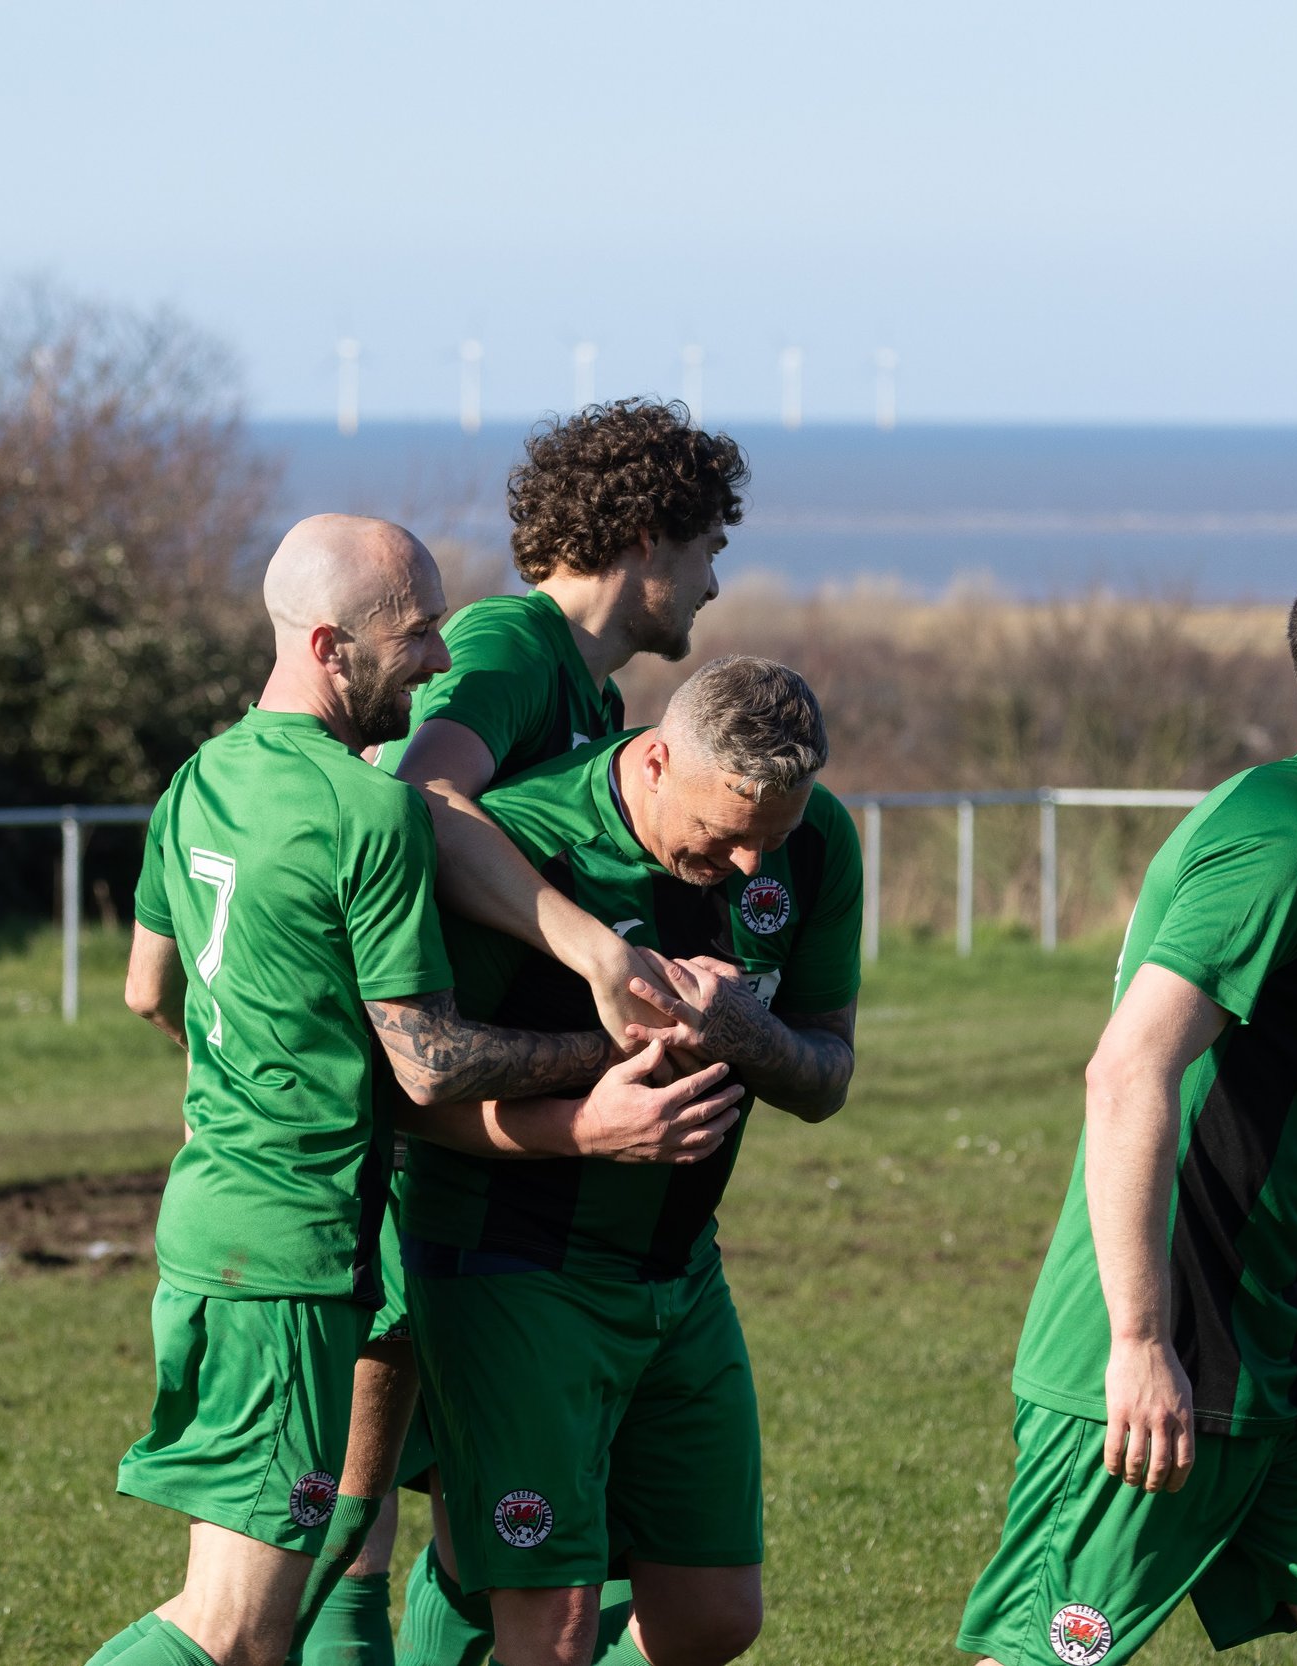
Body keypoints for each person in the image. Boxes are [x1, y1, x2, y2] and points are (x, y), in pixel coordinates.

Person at [84, 515, 741, 1666]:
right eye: (419, 634)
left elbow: (151, 987)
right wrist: (623, 1047)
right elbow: (430, 1061)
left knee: (280, 1606)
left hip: (209, 1221)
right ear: (332, 645)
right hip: (289, 1252)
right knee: (233, 1631)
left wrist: (263, 1071)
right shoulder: (369, 810)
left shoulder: (203, 774)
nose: (441, 661)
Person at [955, 542, 1297, 1666]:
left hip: (1286, 1353)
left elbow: (1249, 1152)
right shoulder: (1282, 836)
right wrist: (1137, 1340)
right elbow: (1126, 1074)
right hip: (1162, 1364)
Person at [295, 399, 748, 1666]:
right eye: (709, 547)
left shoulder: (595, 709)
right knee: (369, 1495)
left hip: (488, 1142)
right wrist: (596, 950)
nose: (716, 582)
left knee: (467, 1513)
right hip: (429, 1130)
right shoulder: (511, 641)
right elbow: (421, 795)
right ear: (650, 537)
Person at [405, 654, 863, 1666]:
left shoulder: (818, 841)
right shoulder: (524, 847)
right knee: (547, 1623)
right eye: (726, 834)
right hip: (509, 1265)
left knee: (711, 1617)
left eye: (771, 838)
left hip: (678, 1270)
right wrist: (585, 1127)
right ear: (654, 761)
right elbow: (408, 1099)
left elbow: (825, 1076)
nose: (751, 866)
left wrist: (748, 1033)